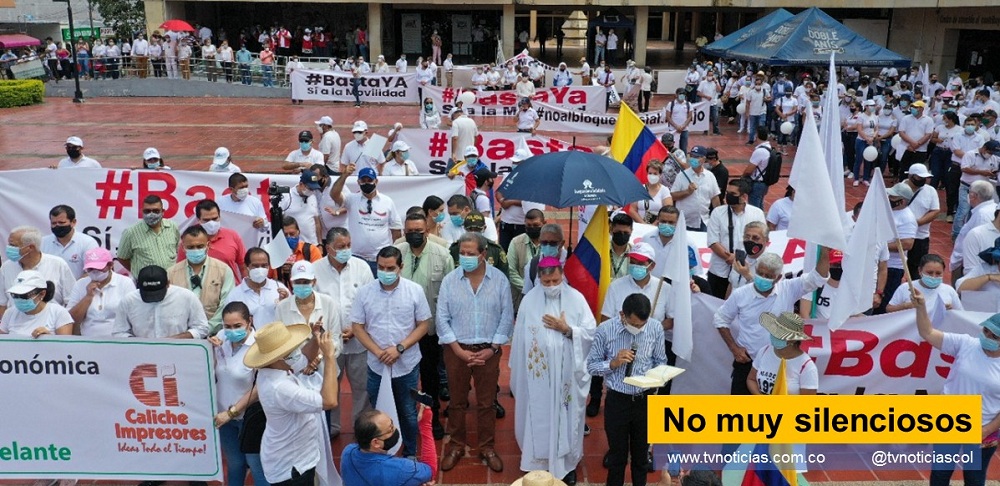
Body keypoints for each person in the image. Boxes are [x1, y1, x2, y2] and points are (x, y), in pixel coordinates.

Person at [511, 257, 595, 485]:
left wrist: (568, 330)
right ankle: (535, 464)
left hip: (566, 376)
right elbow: (519, 341)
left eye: (555, 280)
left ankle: (565, 466)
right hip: (536, 378)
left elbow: (591, 334)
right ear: (539, 278)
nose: (551, 286)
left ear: (562, 276)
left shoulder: (576, 300)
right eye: (546, 281)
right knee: (536, 415)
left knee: (566, 417)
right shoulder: (529, 301)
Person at [436, 232, 514, 473]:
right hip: (457, 350)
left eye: (471, 253)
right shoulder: (450, 280)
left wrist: (492, 348)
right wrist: (458, 350)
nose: (466, 258)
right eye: (462, 253)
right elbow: (442, 318)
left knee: (486, 402)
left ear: (483, 254)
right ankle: (457, 446)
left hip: (488, 351)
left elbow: (506, 316)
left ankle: (487, 447)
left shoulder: (499, 280)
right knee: (457, 402)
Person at [350, 246, 432, 458]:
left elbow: (423, 324)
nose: (385, 272)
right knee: (378, 412)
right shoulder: (365, 292)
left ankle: (411, 452)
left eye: (390, 268)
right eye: (381, 267)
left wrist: (400, 348)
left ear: (400, 267)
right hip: (376, 365)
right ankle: (380, 453)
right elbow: (358, 326)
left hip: (406, 364)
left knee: (407, 412)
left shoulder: (414, 290)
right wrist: (378, 351)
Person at [714, 249, 830, 395]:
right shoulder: (740, 294)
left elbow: (817, 278)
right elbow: (720, 319)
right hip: (747, 362)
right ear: (755, 270)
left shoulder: (788, 289)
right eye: (760, 273)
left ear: (778, 277)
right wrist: (734, 348)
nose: (763, 278)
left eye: (768, 276)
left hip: (778, 363)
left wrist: (825, 252)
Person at [913, 291, 1000, 486]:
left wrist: (986, 430)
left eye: (995, 336)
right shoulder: (966, 344)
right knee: (940, 475)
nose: (988, 337)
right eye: (986, 331)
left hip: (982, 427)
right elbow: (928, 332)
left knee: (974, 479)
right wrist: (920, 308)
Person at [243, 321, 339, 486]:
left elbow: (305, 358)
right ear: (280, 357)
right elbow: (329, 401)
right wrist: (329, 357)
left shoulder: (274, 369)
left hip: (293, 455)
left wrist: (315, 339)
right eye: (290, 349)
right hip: (292, 466)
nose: (296, 352)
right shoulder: (280, 388)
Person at [587, 293, 665, 486]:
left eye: (642, 325)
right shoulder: (605, 330)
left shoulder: (655, 327)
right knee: (617, 457)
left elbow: (660, 360)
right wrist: (612, 363)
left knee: (641, 458)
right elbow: (591, 366)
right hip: (617, 401)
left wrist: (656, 377)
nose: (638, 329)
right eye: (635, 324)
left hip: (644, 400)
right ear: (623, 315)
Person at [312, 228, 375, 438]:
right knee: (330, 385)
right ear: (328, 248)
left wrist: (358, 329)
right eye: (340, 247)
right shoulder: (315, 270)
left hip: (359, 340)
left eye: (348, 245)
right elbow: (313, 306)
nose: (346, 250)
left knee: (362, 387)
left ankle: (361, 429)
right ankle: (332, 428)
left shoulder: (362, 267)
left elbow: (370, 303)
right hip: (328, 342)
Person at [395, 212, 453, 438]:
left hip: (429, 330)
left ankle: (432, 417)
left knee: (430, 377)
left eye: (418, 232)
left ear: (427, 231)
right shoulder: (397, 253)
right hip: (401, 330)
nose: (414, 235)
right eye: (409, 232)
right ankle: (404, 417)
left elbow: (448, 295)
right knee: (403, 376)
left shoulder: (442, 255)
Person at [208, 302, 269, 486]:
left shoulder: (260, 346)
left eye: (237, 326)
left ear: (249, 322)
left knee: (256, 466)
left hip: (249, 418)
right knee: (234, 465)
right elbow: (213, 372)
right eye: (227, 326)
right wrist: (211, 350)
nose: (232, 331)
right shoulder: (220, 339)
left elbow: (258, 388)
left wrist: (233, 412)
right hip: (223, 417)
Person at [331, 166, 403, 272]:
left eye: (370, 180)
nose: (366, 183)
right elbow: (334, 194)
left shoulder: (387, 201)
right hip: (356, 257)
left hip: (380, 259)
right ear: (358, 182)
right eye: (363, 181)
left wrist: (395, 255)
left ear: (376, 181)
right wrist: (344, 175)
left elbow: (396, 230)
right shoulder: (351, 199)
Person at [341, 408, 436, 486]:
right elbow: (430, 469)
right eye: (390, 429)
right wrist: (425, 425)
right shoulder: (402, 468)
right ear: (376, 442)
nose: (395, 429)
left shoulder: (347, 452)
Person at [168, 225, 236, 334]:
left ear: (208, 245)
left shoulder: (223, 270)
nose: (195, 250)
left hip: (214, 335)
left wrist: (206, 330)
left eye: (200, 246)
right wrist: (187, 334)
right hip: (180, 335)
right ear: (183, 247)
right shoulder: (171, 273)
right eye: (190, 247)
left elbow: (226, 304)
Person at [706, 179, 766, 299]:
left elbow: (761, 240)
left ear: (744, 197)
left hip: (745, 271)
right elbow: (713, 241)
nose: (728, 196)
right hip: (720, 270)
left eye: (733, 194)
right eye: (728, 193)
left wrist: (741, 260)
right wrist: (730, 258)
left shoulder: (757, 213)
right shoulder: (718, 213)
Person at [112, 265, 210, 339]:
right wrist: (140, 344)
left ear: (168, 283)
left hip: (178, 352)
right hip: (141, 355)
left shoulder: (187, 297)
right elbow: (119, 332)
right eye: (148, 293)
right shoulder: (128, 301)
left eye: (157, 293)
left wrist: (174, 340)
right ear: (138, 285)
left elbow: (202, 327)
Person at [2, 225, 76, 313]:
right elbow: (2, 303)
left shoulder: (58, 264)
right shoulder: (6, 267)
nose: (9, 248)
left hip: (50, 324)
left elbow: (71, 301)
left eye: (13, 245)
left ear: (30, 248)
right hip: (15, 325)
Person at [67, 248, 136, 337]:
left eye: (99, 268)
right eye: (90, 269)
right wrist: (88, 297)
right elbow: (72, 319)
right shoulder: (80, 284)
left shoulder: (125, 282)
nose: (95, 271)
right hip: (88, 340)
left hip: (119, 340)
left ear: (110, 265)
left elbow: (134, 315)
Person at [747, 312, 818, 396]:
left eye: (780, 334)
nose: (774, 335)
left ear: (793, 340)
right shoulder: (764, 351)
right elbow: (751, 379)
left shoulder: (807, 367)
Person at [877, 183, 918, 314]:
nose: (889, 198)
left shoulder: (907, 218)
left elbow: (907, 244)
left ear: (902, 201)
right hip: (881, 263)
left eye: (893, 197)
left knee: (883, 301)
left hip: (892, 267)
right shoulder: (890, 211)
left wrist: (879, 247)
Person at [223, 248, 288, 327]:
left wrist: (285, 303)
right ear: (247, 266)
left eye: (264, 266)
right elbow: (227, 324)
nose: (260, 269)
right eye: (255, 266)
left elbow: (290, 316)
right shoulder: (235, 295)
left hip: (276, 338)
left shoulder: (280, 289)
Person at [0, 270, 73, 337]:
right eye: (15, 295)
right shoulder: (9, 313)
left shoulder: (59, 313)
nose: (19, 298)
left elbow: (65, 348)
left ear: (42, 294)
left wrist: (49, 338)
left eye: (24, 295)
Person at [887, 254, 962, 312]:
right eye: (930, 273)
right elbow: (889, 309)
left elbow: (960, 313)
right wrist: (906, 306)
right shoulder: (905, 287)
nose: (934, 276)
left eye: (938, 273)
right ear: (920, 271)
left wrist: (950, 310)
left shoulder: (949, 290)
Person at [41, 204, 99, 279]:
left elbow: (92, 271)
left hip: (78, 289)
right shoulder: (43, 242)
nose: (57, 226)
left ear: (73, 222)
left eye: (61, 223)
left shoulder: (88, 243)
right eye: (54, 223)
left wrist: (75, 287)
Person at [670, 147, 721, 231]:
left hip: (704, 221)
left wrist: (718, 218)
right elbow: (673, 196)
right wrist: (687, 192)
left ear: (704, 159)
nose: (693, 159)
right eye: (692, 156)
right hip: (684, 222)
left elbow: (715, 198)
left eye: (697, 157)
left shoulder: (710, 176)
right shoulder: (682, 175)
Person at [903, 164, 941, 278]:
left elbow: (935, 211)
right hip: (901, 236)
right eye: (920, 178)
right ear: (911, 176)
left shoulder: (930, 191)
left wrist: (917, 223)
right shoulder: (899, 188)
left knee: (916, 270)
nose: (923, 180)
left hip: (920, 237)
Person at [742, 128, 773, 209]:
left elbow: (749, 169)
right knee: (760, 205)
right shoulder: (769, 148)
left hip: (757, 183)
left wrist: (742, 177)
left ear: (757, 136)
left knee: (754, 208)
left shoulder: (760, 151)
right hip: (764, 182)